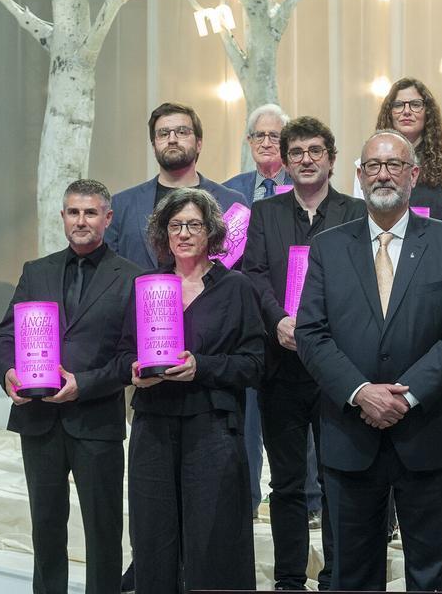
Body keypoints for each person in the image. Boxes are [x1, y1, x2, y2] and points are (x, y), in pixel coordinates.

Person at [296, 130, 442, 591]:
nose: (383, 173)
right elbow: (311, 333)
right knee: (353, 575)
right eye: (373, 166)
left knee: (433, 574)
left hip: (428, 434)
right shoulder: (327, 247)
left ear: (414, 174)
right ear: (358, 176)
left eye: (395, 164)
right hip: (349, 435)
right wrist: (362, 393)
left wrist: (406, 395)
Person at [0, 179, 141, 594]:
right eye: (73, 212)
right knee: (46, 528)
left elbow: (132, 358)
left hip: (96, 420)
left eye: (91, 213)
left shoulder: (132, 277)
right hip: (38, 420)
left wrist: (84, 385)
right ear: (63, 217)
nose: (81, 221)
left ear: (108, 219)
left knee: (104, 530)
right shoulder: (36, 271)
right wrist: (8, 374)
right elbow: (3, 338)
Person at [117, 188, 265, 593]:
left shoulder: (235, 288)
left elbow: (255, 364)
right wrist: (135, 370)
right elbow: (125, 351)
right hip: (153, 426)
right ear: (164, 233)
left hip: (213, 428)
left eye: (194, 225)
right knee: (153, 538)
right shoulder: (146, 287)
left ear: (211, 232)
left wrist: (203, 367)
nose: (183, 233)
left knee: (213, 541)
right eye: (175, 225)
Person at [242, 116, 366, 590]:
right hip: (282, 365)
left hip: (338, 366)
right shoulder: (264, 214)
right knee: (288, 483)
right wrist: (278, 321)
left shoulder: (356, 213)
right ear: (285, 160)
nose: (306, 159)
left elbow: (363, 284)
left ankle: (336, 575)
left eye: (316, 151)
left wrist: (319, 330)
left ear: (331, 160)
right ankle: (290, 578)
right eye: (297, 152)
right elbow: (252, 276)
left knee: (339, 475)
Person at [223, 103, 291, 524]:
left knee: (292, 416)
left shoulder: (301, 188)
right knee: (245, 415)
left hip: (289, 315)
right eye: (258, 136)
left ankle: (310, 499)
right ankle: (244, 498)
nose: (266, 142)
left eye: (274, 136)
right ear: (249, 143)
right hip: (241, 318)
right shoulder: (229, 192)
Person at [106, 101, 247, 269]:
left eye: (182, 132)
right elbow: (110, 273)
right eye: (163, 134)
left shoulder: (232, 202)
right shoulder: (122, 205)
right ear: (154, 146)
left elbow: (245, 270)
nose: (172, 140)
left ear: (199, 144)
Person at [352, 77, 442, 225]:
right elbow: (364, 220)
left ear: (428, 112)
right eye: (399, 105)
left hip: (437, 246)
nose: (406, 111)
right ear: (389, 112)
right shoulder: (367, 165)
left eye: (415, 104)